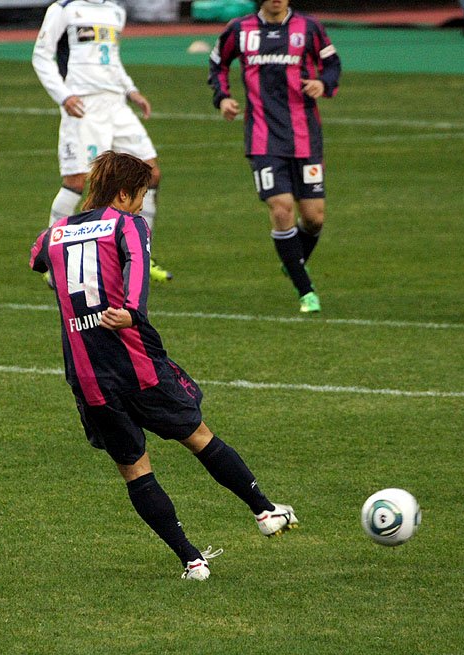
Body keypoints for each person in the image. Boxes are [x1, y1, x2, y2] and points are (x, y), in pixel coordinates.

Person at [29, 151, 299, 580]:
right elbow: (137, 267)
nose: (141, 205)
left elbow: (36, 259)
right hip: (137, 364)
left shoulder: (55, 232)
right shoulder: (127, 224)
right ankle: (265, 512)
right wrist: (131, 312)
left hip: (88, 375)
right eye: (140, 196)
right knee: (199, 437)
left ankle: (191, 560)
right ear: (123, 194)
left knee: (135, 470)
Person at [208, 0, 341, 314]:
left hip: (305, 137)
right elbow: (218, 64)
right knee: (281, 209)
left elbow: (332, 64)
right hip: (263, 138)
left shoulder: (309, 28)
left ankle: (293, 261)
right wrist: (223, 98)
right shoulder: (239, 30)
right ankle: (306, 291)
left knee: (314, 217)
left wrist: (323, 83)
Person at [32, 0, 173, 284]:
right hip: (83, 105)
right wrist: (63, 95)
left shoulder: (114, 11)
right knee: (78, 182)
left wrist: (131, 90)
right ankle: (52, 262)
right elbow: (41, 56)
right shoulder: (64, 8)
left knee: (150, 173)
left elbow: (111, 59)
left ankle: (140, 256)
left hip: (116, 105)